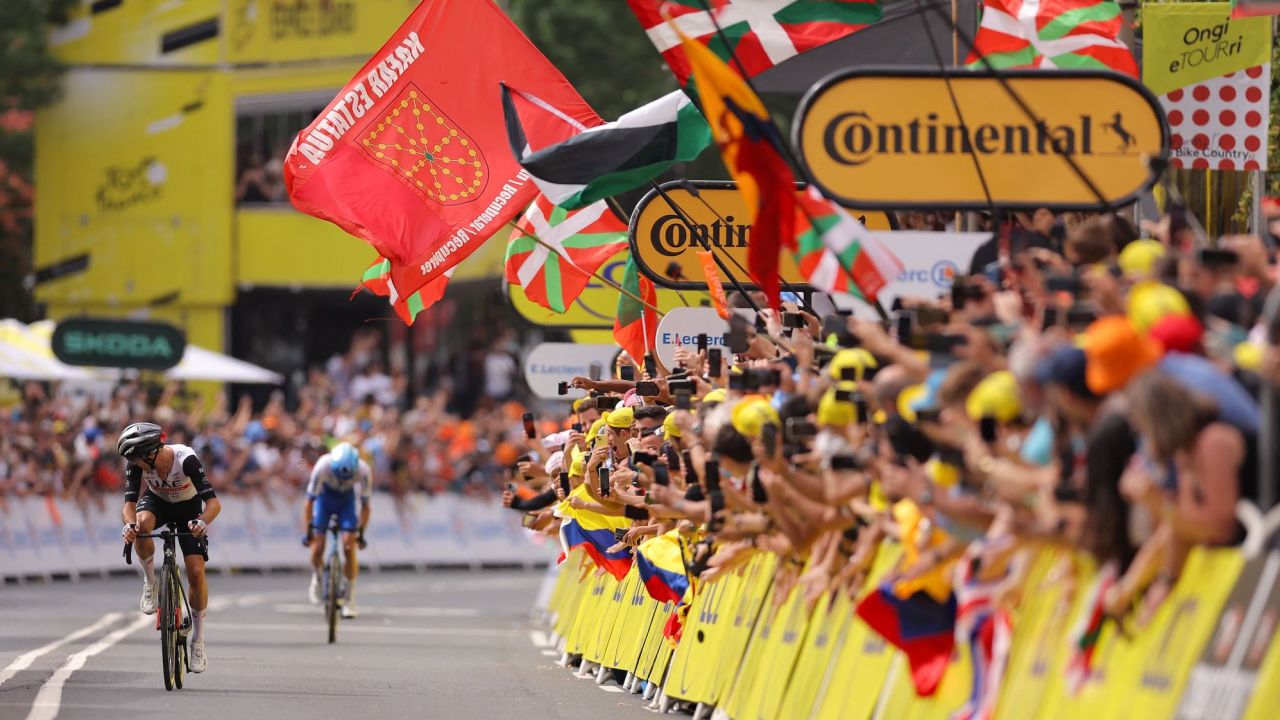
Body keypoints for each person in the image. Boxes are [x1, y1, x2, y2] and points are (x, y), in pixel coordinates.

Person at [119, 421, 221, 673]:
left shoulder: (186, 460)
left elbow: (214, 503)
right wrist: (129, 525)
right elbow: (128, 505)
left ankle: (198, 639)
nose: (135, 464)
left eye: (138, 459)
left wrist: (202, 521)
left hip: (188, 507)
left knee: (196, 572)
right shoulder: (136, 464)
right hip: (158, 502)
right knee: (142, 526)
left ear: (152, 452)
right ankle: (151, 582)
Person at [304, 442, 372, 618]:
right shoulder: (322, 465)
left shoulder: (364, 470)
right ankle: (317, 577)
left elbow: (365, 506)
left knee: (349, 547)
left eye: (346, 477)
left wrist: (361, 533)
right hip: (324, 502)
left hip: (346, 504)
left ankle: (350, 598)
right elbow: (309, 502)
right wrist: (308, 531)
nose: (342, 480)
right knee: (318, 547)